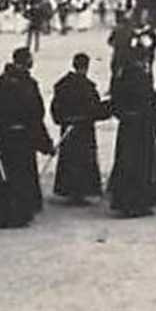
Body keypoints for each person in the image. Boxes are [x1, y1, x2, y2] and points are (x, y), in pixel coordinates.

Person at [0, 47, 55, 227]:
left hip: (3, 136)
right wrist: (45, 143)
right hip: (21, 138)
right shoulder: (28, 85)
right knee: (21, 175)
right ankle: (20, 211)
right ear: (26, 61)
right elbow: (35, 116)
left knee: (3, 174)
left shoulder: (1, 82)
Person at [108, 54, 156, 218]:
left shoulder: (122, 80)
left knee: (126, 163)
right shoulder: (144, 81)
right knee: (142, 165)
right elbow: (152, 104)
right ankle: (139, 203)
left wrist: (124, 116)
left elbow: (115, 104)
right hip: (143, 128)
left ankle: (123, 201)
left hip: (127, 127)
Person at [50, 53, 108, 204]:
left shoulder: (63, 84)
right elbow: (95, 109)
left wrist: (61, 119)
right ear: (87, 67)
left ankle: (68, 189)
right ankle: (82, 191)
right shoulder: (88, 87)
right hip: (84, 129)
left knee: (69, 159)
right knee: (83, 160)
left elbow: (56, 107)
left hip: (68, 126)